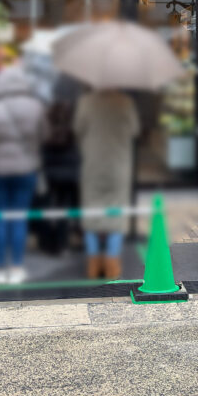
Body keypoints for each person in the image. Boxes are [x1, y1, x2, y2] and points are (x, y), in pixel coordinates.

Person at [0, 63, 47, 285]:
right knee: (19, 218)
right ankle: (16, 267)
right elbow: (45, 135)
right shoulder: (36, 107)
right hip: (26, 169)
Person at [75, 88, 140, 280]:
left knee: (91, 213)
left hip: (93, 165)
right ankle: (112, 267)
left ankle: (93, 267)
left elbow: (78, 129)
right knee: (116, 212)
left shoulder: (85, 102)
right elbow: (134, 130)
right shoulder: (125, 103)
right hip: (118, 165)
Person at [37, 74, 82, 256]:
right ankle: (62, 244)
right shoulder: (75, 113)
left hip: (50, 166)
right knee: (65, 207)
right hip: (70, 167)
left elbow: (41, 136)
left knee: (48, 206)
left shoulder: (47, 112)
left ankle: (48, 243)